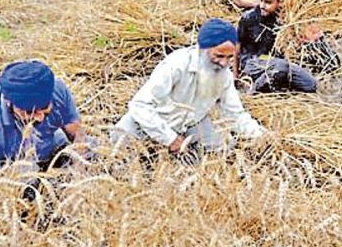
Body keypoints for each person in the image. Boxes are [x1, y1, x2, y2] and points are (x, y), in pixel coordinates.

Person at [112, 18, 266, 158]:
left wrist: (262, 137)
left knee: (224, 150)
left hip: (190, 125)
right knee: (120, 149)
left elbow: (234, 113)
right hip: (149, 123)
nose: (224, 63)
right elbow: (140, 105)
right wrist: (169, 138)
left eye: (229, 57)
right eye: (219, 56)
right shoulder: (176, 65)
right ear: (202, 49)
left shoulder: (224, 74)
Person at [0, 60, 89, 181]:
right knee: (29, 180)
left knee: (92, 150)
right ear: (9, 102)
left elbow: (77, 134)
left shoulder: (57, 89)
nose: (40, 117)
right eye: (29, 112)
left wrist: (78, 176)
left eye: (45, 108)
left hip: (42, 144)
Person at [236, 0, 318, 94]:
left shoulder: (284, 20)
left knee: (310, 84)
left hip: (275, 63)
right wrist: (236, 75)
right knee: (281, 66)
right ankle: (254, 91)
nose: (262, 5)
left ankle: (271, 83)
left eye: (268, 2)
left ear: (280, 1)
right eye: (261, 1)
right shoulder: (248, 18)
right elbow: (237, 47)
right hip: (253, 62)